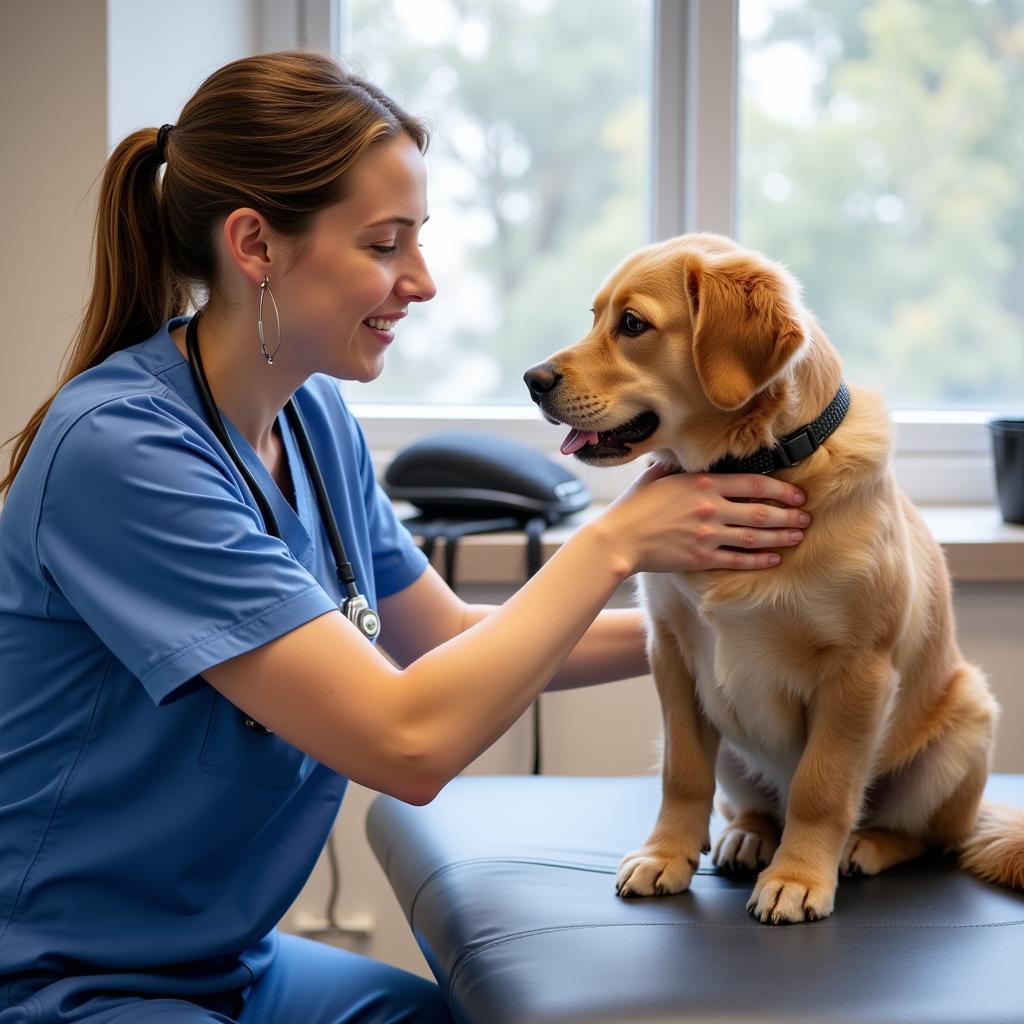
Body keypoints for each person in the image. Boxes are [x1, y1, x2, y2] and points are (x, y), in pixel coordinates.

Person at [0, 49, 811, 1024]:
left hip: (226, 963)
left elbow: (452, 636)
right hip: (61, 981)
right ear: (254, 244)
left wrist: (721, 630)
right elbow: (407, 742)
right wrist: (614, 543)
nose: (420, 282)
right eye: (385, 245)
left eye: (417, 240)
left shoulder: (313, 419)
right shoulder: (121, 451)